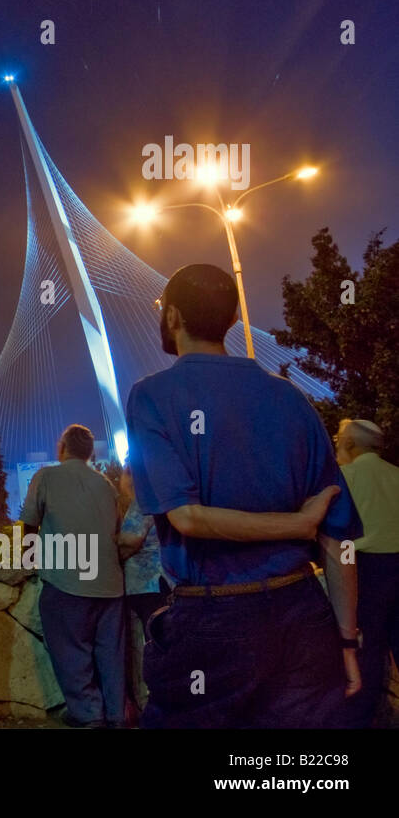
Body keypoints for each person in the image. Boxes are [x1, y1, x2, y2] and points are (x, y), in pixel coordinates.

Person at [126, 263, 363, 728]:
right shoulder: (290, 399)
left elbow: (188, 518)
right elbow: (339, 542)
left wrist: (296, 526)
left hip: (211, 621)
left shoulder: (152, 397)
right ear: (234, 319)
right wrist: (346, 641)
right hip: (300, 615)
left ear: (172, 316)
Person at [19, 424, 126, 728]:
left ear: (62, 448)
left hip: (67, 583)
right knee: (111, 654)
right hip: (110, 585)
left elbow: (29, 524)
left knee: (70, 650)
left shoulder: (47, 477)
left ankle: (89, 714)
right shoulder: (106, 484)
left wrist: (30, 560)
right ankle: (117, 715)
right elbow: (115, 531)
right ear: (91, 453)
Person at [336, 419, 399, 726]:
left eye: (338, 441)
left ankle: (362, 718)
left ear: (349, 445)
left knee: (368, 648)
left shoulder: (343, 478)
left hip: (367, 570)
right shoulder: (396, 474)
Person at [115, 464, 167, 718]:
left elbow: (131, 539)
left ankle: (147, 706)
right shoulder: (164, 499)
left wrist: (115, 551)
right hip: (163, 581)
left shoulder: (142, 501)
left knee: (143, 646)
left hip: (142, 585)